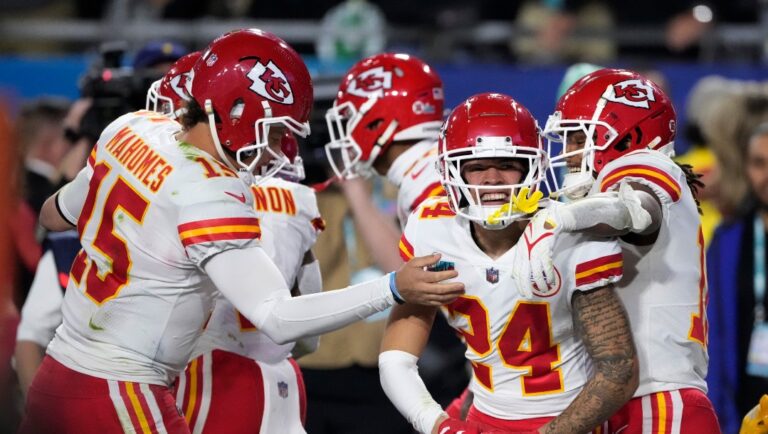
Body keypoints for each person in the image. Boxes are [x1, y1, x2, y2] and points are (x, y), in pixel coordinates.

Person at [21, 28, 463, 434]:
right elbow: (278, 318)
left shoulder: (133, 128)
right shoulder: (211, 189)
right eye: (276, 131)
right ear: (235, 110)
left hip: (57, 372)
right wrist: (392, 288)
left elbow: (54, 215)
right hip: (122, 390)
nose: (280, 150)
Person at [379, 92, 638, 434]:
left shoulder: (571, 236)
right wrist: (439, 425)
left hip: (570, 422)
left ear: (533, 168)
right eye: (476, 167)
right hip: (483, 417)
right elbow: (396, 358)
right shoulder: (432, 229)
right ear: (451, 171)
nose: (492, 179)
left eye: (506, 165)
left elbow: (618, 369)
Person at [531, 68, 720, 432]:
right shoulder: (592, 202)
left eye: (578, 138)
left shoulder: (644, 166)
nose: (568, 153)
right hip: (623, 401)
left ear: (627, 136)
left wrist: (558, 218)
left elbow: (636, 210)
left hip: (658, 400)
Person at [178, 128, 325, 433]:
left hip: (216, 374)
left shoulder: (198, 191)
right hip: (285, 376)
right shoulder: (299, 201)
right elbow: (310, 335)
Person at [708, 123, 768, 433]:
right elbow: (714, 331)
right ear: (745, 168)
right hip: (742, 399)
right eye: (759, 163)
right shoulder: (726, 241)